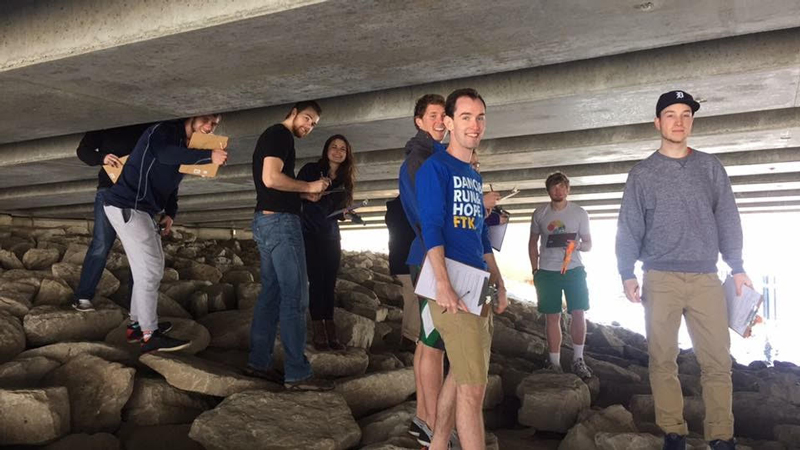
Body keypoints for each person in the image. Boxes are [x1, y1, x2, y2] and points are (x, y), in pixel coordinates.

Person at [616, 90, 752, 450]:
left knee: (718, 362)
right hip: (659, 278)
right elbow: (629, 227)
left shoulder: (711, 167)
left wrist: (737, 267)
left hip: (708, 278)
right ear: (657, 122)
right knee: (662, 359)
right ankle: (673, 432)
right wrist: (626, 272)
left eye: (686, 115)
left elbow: (728, 219)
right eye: (671, 115)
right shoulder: (642, 173)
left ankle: (722, 437)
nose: (679, 121)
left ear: (692, 121)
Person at [417, 88, 508, 450]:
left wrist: (499, 281)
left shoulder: (470, 174)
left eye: (480, 117)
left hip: (479, 284)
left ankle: (438, 446)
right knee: (474, 391)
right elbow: (431, 227)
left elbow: (481, 233)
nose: (475, 125)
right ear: (449, 123)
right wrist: (442, 283)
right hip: (453, 285)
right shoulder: (435, 168)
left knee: (461, 375)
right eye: (466, 117)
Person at [102, 114, 228, 352]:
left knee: (151, 269)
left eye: (215, 124)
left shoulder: (184, 145)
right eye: (207, 120)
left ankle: (137, 327)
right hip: (128, 206)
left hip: (143, 210)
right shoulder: (163, 131)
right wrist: (209, 155)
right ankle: (150, 334)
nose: (210, 127)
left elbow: (172, 184)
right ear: (193, 114)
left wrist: (170, 212)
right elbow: (164, 154)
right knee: (149, 273)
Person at [246, 100, 334, 391]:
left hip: (267, 221)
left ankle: (259, 362)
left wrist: (302, 195)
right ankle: (298, 373)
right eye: (307, 119)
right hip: (281, 225)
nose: (308, 126)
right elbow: (270, 178)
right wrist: (308, 187)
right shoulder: (279, 135)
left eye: (313, 125)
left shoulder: (277, 137)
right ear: (294, 113)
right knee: (295, 297)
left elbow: (276, 184)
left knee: (270, 294)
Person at [397, 93, 450, 444]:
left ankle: (422, 417)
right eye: (433, 115)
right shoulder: (422, 159)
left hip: (424, 257)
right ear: (419, 121)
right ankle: (431, 423)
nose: (441, 121)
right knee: (435, 344)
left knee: (425, 341)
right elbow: (426, 217)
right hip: (432, 259)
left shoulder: (429, 156)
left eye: (444, 115)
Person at [72, 123, 154, 313]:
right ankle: (83, 296)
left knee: (140, 250)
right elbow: (83, 151)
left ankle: (137, 306)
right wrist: (103, 157)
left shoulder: (151, 126)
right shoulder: (106, 122)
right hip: (110, 190)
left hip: (140, 195)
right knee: (101, 244)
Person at [528, 172, 593, 378]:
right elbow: (532, 243)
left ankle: (578, 359)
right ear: (548, 190)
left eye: (562, 187)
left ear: (568, 189)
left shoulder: (580, 213)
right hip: (547, 271)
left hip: (574, 269)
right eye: (554, 187)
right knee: (552, 316)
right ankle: (555, 363)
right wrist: (534, 269)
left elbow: (589, 244)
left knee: (578, 313)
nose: (558, 191)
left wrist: (578, 246)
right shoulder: (540, 213)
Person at [297, 134, 357, 351]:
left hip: (331, 234)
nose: (338, 151)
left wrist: (346, 213)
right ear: (326, 149)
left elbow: (337, 211)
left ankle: (330, 329)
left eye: (343, 148)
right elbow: (293, 194)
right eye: (334, 147)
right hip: (309, 232)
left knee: (329, 282)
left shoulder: (345, 179)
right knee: (316, 281)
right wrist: (306, 195)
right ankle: (318, 332)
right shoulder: (311, 170)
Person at [384, 195, 420, 346]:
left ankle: (407, 336)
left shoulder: (393, 208)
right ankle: (410, 337)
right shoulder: (414, 206)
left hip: (399, 260)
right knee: (419, 297)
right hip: (413, 258)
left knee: (410, 297)